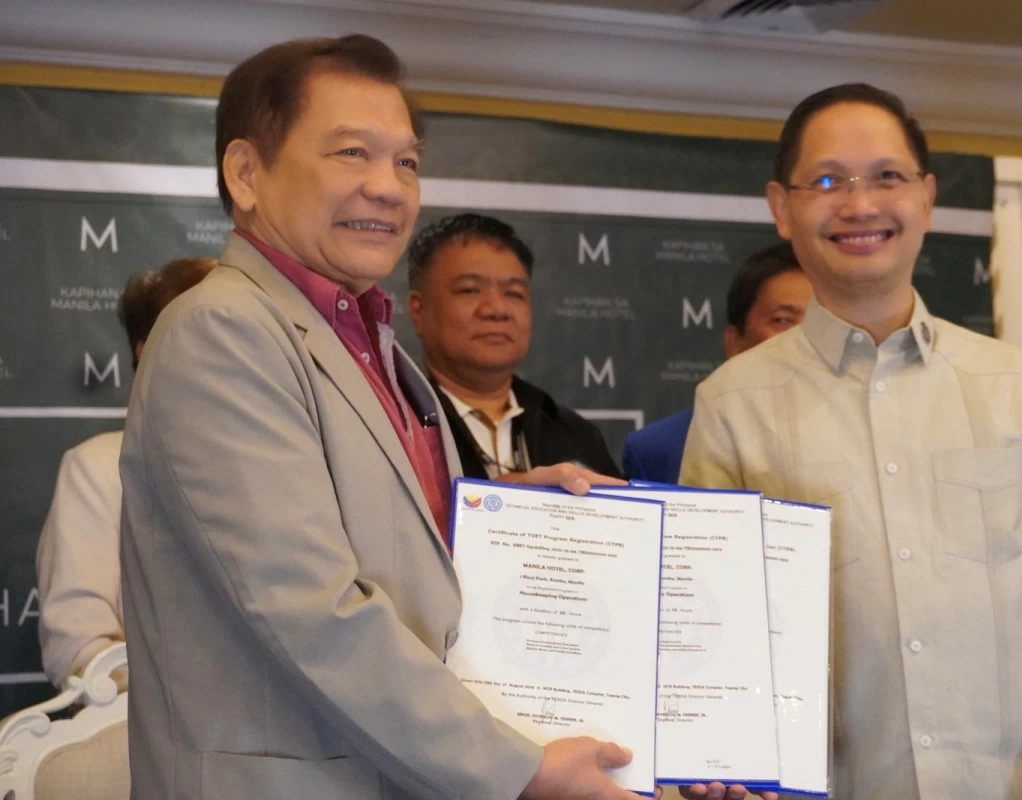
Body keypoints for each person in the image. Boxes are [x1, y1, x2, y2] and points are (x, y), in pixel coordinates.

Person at [118, 35, 637, 800]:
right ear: (246, 173)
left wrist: (515, 517)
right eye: (352, 153)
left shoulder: (367, 340)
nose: (389, 187)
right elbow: (308, 608)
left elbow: (389, 542)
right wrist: (519, 768)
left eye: (407, 161)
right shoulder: (220, 329)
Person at [680, 83, 1022, 800]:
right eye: (828, 180)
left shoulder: (1018, 386)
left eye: (887, 177)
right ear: (782, 207)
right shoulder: (730, 405)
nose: (861, 205)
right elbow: (709, 618)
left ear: (926, 198)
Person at [36, 255, 214, 690]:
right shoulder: (98, 468)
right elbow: (76, 646)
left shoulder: (288, 468)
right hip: (156, 744)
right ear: (145, 347)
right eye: (207, 333)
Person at [407, 212, 621, 480]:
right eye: (470, 290)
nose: (497, 309)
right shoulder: (397, 425)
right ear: (418, 310)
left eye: (513, 293)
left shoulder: (574, 434)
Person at [621, 242, 811, 484]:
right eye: (783, 320)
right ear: (734, 342)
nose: (803, 337)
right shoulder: (659, 448)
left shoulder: (862, 424)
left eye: (820, 323)